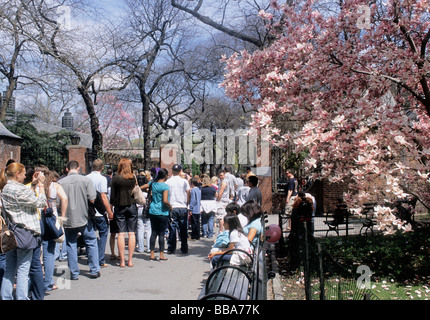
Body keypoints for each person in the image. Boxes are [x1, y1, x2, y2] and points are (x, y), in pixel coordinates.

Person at [0, 162, 47, 300]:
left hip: (12, 232)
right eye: (23, 173)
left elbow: (25, 202)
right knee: (23, 270)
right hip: (25, 232)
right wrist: (41, 185)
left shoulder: (6, 189)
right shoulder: (18, 189)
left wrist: (32, 184)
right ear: (17, 174)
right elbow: (41, 203)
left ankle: (5, 296)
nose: (25, 175)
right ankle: (21, 297)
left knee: (9, 269)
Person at [58, 161, 100, 280]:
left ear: (67, 169)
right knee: (91, 242)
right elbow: (92, 198)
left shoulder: (60, 183)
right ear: (78, 168)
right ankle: (94, 269)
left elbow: (57, 202)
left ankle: (74, 272)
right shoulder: (86, 180)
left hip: (68, 218)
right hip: (84, 217)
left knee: (71, 244)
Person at [40, 168, 68, 294]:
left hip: (36, 219)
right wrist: (62, 216)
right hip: (51, 219)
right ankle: (48, 282)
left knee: (35, 253)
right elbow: (65, 198)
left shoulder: (32, 186)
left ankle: (34, 280)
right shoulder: (54, 186)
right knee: (49, 252)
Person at [109, 158, 138, 268]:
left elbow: (112, 196)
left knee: (121, 233)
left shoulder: (116, 178)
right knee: (131, 233)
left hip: (119, 207)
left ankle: (121, 261)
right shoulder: (133, 177)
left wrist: (110, 209)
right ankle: (130, 260)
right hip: (132, 206)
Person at [87, 159, 114, 268]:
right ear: (102, 168)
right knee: (103, 234)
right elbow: (103, 196)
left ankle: (91, 257)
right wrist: (109, 211)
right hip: (99, 211)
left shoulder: (86, 177)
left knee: (90, 236)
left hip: (88, 211)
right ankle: (100, 259)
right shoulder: (102, 179)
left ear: (92, 167)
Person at [148, 168, 172, 261]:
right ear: (165, 175)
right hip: (162, 211)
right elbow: (165, 200)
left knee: (153, 232)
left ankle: (152, 254)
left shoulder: (153, 183)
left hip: (153, 210)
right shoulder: (165, 186)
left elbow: (142, 186)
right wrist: (170, 206)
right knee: (161, 233)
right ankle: (161, 254)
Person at [166, 164, 190, 254]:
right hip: (182, 206)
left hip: (172, 206)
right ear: (180, 171)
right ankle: (184, 247)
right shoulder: (184, 181)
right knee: (183, 228)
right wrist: (187, 203)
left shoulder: (168, 182)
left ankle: (171, 248)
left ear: (172, 171)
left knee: (172, 228)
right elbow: (188, 193)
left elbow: (166, 194)